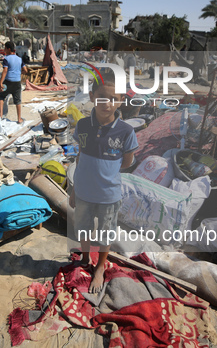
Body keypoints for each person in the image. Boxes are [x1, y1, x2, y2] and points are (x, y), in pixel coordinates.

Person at [69, 72, 138, 294]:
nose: (106, 103)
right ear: (92, 96)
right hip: (83, 193)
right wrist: (73, 189)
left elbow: (126, 162)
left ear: (120, 101)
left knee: (106, 233)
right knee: (84, 230)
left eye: (113, 98)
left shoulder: (126, 131)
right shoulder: (82, 125)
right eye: (101, 97)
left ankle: (100, 267)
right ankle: (87, 258)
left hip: (109, 196)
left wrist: (105, 174)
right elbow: (79, 157)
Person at [0, 41, 28, 124]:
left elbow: (5, 70)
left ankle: (0, 116)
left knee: (1, 96)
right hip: (17, 82)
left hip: (8, 81)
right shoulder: (19, 59)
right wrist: (19, 73)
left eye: (5, 48)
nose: (4, 50)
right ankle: (19, 119)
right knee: (17, 100)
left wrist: (1, 82)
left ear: (8, 49)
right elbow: (25, 70)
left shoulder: (6, 59)